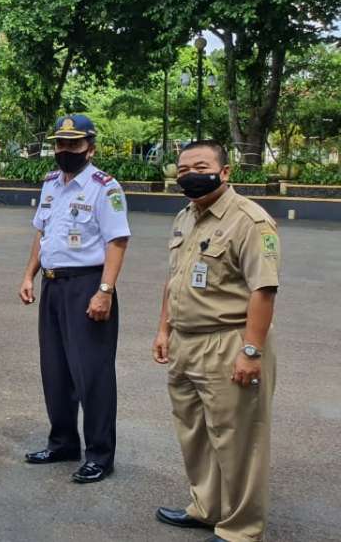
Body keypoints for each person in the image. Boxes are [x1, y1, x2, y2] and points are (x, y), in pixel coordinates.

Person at [152, 140, 279, 542]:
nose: (190, 173)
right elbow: (174, 279)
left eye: (201, 166)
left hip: (229, 342)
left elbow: (264, 290)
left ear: (225, 172)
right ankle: (208, 507)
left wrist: (251, 351)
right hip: (186, 342)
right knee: (195, 432)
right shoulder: (185, 217)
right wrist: (164, 329)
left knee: (238, 439)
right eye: (183, 168)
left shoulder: (250, 220)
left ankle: (241, 528)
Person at [18, 113, 130, 484]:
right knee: (55, 369)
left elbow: (117, 242)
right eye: (61, 144)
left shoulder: (105, 188)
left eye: (74, 144)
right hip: (52, 285)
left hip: (87, 285)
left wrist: (105, 290)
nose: (65, 151)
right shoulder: (51, 184)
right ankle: (63, 441)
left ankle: (99, 454)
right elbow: (41, 233)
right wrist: (29, 274)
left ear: (90, 148)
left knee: (92, 373)